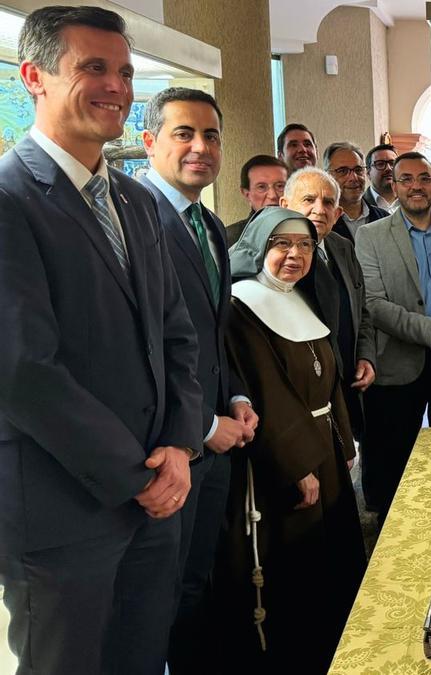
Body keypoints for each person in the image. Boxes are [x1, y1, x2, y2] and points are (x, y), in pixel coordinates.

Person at [0, 8, 204, 674]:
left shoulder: (138, 201)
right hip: (63, 511)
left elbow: (176, 334)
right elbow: (25, 369)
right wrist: (135, 474)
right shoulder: (9, 200)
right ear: (34, 76)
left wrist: (178, 442)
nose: (117, 86)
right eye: (93, 67)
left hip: (157, 497)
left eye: (124, 71)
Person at [138, 86, 259, 675]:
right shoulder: (134, 217)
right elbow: (142, 349)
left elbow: (213, 334)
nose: (199, 147)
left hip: (216, 443)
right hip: (167, 446)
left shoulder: (209, 224)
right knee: (153, 600)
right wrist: (202, 424)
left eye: (210, 135)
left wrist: (234, 396)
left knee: (196, 585)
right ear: (148, 142)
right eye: (182, 133)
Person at [219, 207, 366, 674]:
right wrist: (299, 464)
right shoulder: (243, 305)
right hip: (285, 462)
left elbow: (330, 379)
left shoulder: (299, 299)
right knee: (296, 570)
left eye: (304, 246)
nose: (294, 255)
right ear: (259, 247)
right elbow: (266, 391)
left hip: (323, 449)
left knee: (332, 562)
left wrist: (345, 447)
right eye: (282, 244)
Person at [356, 151, 431, 517]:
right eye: (406, 179)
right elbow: (373, 304)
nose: (416, 187)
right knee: (391, 459)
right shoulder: (371, 236)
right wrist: (428, 328)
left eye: (424, 178)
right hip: (397, 361)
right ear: (394, 186)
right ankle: (389, 535)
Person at [279, 167, 377, 441]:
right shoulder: (275, 258)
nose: (319, 209)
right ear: (285, 205)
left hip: (346, 386)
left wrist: (366, 356)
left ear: (338, 214)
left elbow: (362, 311)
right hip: (301, 399)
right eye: (308, 200)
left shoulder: (343, 247)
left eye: (328, 202)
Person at [324, 141, 389, 241]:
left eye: (358, 170)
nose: (353, 178)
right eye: (343, 171)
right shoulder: (322, 221)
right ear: (327, 176)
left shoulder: (385, 218)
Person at [226, 155, 288, 246]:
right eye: (261, 187)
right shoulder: (229, 238)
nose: (273, 195)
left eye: (280, 186)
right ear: (246, 193)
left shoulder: (303, 231)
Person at [363, 143, 399, 214]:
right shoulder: (360, 204)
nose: (388, 168)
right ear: (368, 173)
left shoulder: (411, 201)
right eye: (380, 164)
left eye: (393, 163)